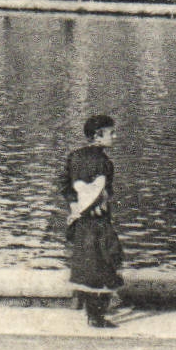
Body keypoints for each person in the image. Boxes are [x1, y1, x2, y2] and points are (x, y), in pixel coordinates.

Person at [61, 114, 125, 329]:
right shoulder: (105, 162)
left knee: (86, 263)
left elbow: (66, 187)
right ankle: (97, 316)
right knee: (107, 261)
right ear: (98, 136)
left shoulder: (74, 156)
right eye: (111, 132)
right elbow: (104, 193)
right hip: (98, 222)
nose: (115, 136)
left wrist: (75, 209)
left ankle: (88, 309)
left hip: (80, 221)